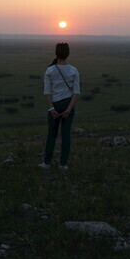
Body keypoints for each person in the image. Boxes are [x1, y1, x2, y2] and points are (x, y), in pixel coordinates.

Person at [39, 42, 80, 170]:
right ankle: (63, 164)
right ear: (68, 54)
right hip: (68, 104)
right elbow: (76, 92)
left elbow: (47, 92)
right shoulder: (74, 70)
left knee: (52, 134)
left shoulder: (50, 70)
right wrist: (69, 109)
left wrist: (52, 109)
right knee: (66, 134)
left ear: (56, 53)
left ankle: (47, 162)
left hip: (55, 105)